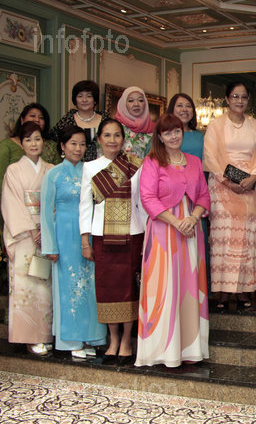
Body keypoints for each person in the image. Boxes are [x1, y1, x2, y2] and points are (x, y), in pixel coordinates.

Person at [135, 114, 210, 367]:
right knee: (164, 287)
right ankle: (162, 351)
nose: (174, 136)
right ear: (160, 137)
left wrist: (193, 218)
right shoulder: (152, 162)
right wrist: (177, 222)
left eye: (177, 131)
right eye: (168, 133)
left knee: (189, 286)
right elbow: (148, 198)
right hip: (163, 232)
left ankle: (190, 348)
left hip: (191, 231)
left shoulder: (194, 161)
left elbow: (204, 196)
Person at [79, 118, 146, 364]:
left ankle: (127, 340)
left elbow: (141, 203)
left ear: (123, 139)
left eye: (117, 135)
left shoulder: (135, 165)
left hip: (132, 234)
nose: (112, 140)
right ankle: (113, 339)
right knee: (107, 289)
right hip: (102, 236)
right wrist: (85, 241)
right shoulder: (90, 168)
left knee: (129, 287)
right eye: (107, 135)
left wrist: (149, 237)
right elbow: (85, 206)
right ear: (99, 139)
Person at [41, 125, 107, 358]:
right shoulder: (53, 174)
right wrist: (49, 245)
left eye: (82, 144)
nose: (78, 149)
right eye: (73, 144)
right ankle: (71, 340)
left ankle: (90, 337)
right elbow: (46, 212)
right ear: (62, 146)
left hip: (88, 233)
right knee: (69, 287)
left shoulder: (90, 171)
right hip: (64, 235)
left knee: (91, 287)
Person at [203, 82, 256, 310]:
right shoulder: (215, 125)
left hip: (249, 188)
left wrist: (253, 177)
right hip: (223, 188)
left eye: (244, 97)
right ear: (227, 99)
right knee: (225, 240)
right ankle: (223, 292)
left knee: (247, 239)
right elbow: (210, 157)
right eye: (235, 96)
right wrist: (228, 182)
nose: (240, 101)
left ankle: (245, 291)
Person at [1, 121, 53, 355]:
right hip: (24, 234)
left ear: (44, 142)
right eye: (28, 139)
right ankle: (28, 337)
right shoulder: (13, 170)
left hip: (47, 232)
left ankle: (45, 334)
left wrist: (46, 226)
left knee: (45, 286)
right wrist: (32, 229)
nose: (33, 144)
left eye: (38, 139)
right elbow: (11, 202)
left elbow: (55, 203)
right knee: (26, 284)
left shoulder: (51, 169)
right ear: (21, 144)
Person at [51, 80, 108, 161]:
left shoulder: (105, 120)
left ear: (95, 99)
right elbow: (55, 142)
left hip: (103, 165)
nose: (84, 100)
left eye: (89, 96)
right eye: (80, 96)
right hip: (74, 165)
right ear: (75, 99)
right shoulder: (67, 121)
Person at [115, 86, 154, 159]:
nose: (136, 104)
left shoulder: (155, 130)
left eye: (140, 100)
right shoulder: (115, 128)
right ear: (123, 104)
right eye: (131, 101)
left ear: (145, 103)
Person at [167, 93, 204, 162]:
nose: (184, 109)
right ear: (172, 109)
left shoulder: (200, 135)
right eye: (179, 105)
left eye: (188, 106)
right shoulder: (164, 134)